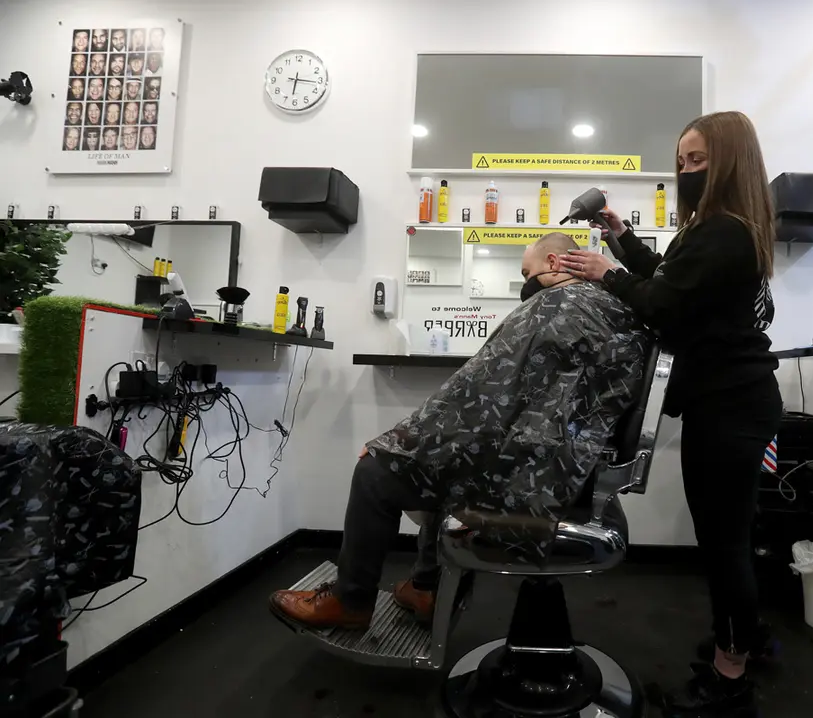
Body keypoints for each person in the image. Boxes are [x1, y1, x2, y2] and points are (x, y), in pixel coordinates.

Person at [268, 232, 651, 630]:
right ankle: (426, 588)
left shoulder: (551, 310)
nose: (526, 280)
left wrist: (395, 442)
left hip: (534, 475)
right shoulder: (613, 309)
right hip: (573, 465)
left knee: (377, 473)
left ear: (554, 263)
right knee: (447, 463)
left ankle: (350, 602)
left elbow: (474, 402)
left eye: (527, 271)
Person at [559, 111, 782, 717]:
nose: (685, 171)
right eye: (681, 161)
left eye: (697, 161)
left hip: (731, 408)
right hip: (732, 402)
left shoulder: (724, 233)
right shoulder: (720, 229)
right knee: (730, 538)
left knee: (724, 544)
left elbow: (664, 305)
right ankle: (744, 638)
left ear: (729, 162)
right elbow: (671, 281)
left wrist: (608, 273)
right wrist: (621, 238)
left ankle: (729, 679)